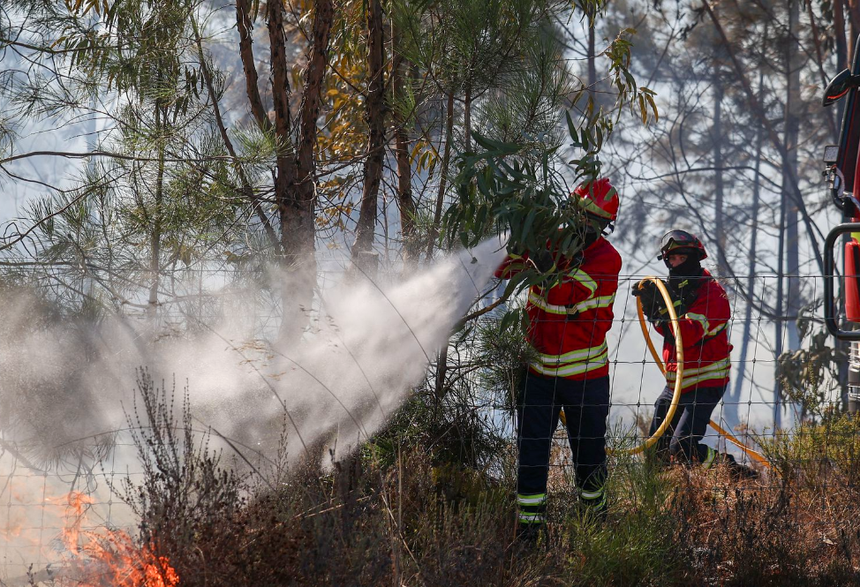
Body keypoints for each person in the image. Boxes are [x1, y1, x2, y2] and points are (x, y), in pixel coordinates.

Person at [495, 178, 622, 540]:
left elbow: (566, 293)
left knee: (589, 456)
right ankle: (529, 534)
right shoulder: (548, 240)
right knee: (531, 454)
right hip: (537, 374)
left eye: (592, 222)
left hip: (585, 377)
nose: (582, 226)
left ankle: (595, 528)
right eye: (578, 215)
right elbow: (502, 268)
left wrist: (543, 264)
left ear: (604, 227)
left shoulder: (607, 259)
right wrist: (519, 242)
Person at [633, 229, 756, 479]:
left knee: (682, 449)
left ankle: (732, 470)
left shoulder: (713, 294)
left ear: (695, 257)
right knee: (655, 449)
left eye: (681, 258)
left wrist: (661, 313)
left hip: (705, 382)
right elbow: (668, 330)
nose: (676, 264)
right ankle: (661, 496)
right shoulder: (675, 291)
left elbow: (685, 335)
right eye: (671, 259)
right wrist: (655, 309)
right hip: (676, 383)